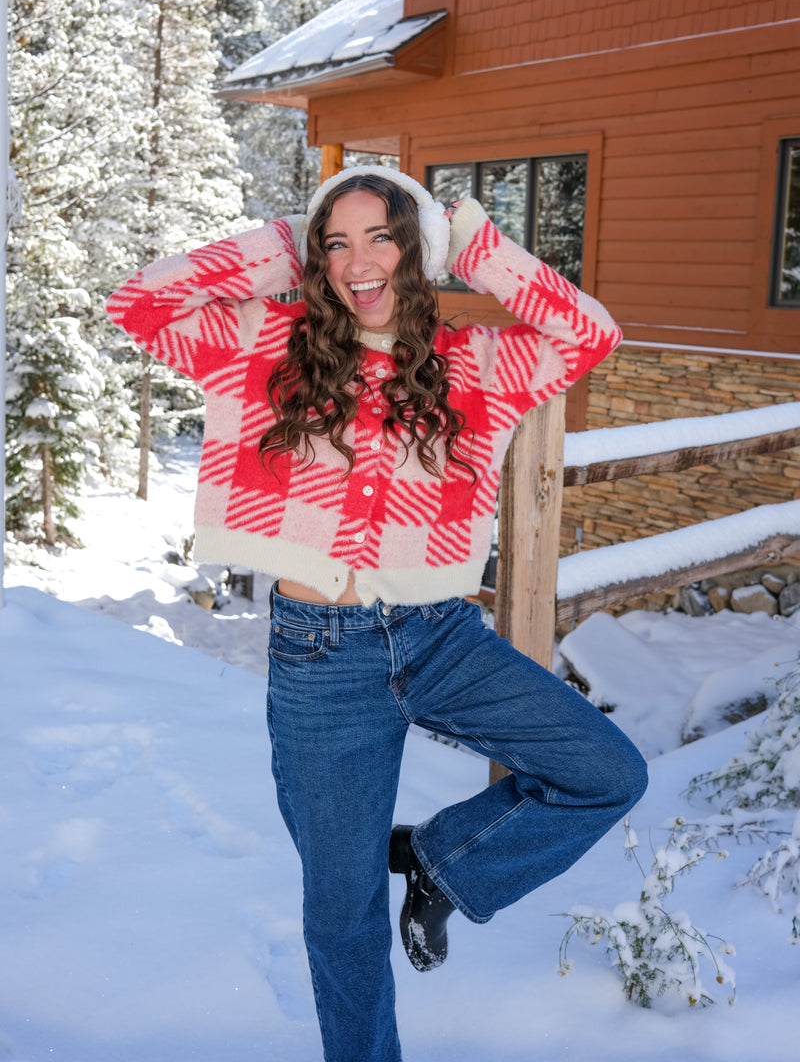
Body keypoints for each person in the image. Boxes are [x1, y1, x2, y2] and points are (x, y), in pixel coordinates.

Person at [108, 166, 647, 1062]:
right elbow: (140, 303)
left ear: (417, 249)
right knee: (342, 911)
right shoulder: (263, 344)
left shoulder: (478, 363)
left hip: (441, 639)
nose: (359, 262)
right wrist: (286, 239)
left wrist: (471, 241)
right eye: (337, 242)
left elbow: (590, 331)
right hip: (320, 658)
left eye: (382, 237)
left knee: (604, 771)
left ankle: (443, 860)